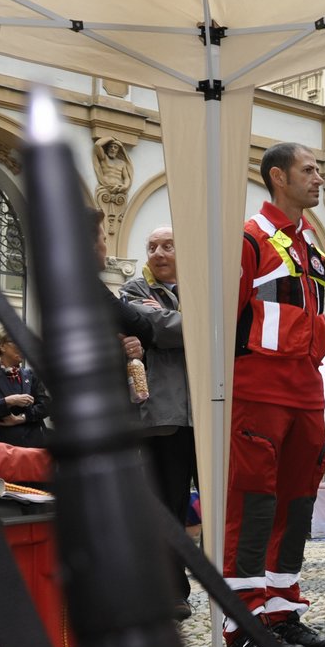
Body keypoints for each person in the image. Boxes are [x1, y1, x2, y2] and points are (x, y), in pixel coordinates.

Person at [224, 142, 325, 647]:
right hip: (258, 386)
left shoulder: (309, 243)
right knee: (252, 501)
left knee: (296, 501)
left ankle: (280, 608)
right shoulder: (249, 237)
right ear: (278, 177)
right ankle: (242, 622)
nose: (319, 178)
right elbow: (227, 317)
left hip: (306, 388)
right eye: (309, 170)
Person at [119, 226, 198, 619]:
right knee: (166, 506)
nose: (159, 253)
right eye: (151, 247)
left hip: (204, 415)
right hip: (162, 416)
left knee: (211, 504)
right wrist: (198, 323)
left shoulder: (195, 290)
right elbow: (162, 328)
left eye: (168, 245)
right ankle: (171, 590)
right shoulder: (133, 292)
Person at [0, 329, 50, 448]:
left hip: (34, 450)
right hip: (2, 451)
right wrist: (8, 401)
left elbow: (46, 406)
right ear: (2, 346)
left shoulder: (31, 375)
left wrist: (21, 418)